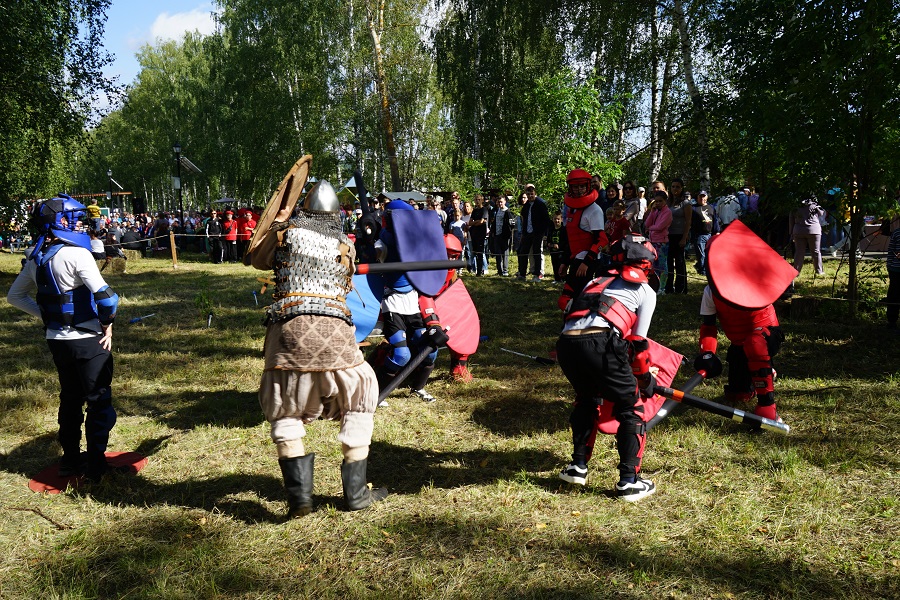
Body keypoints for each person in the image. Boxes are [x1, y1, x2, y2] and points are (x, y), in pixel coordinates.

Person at [247, 180, 387, 518]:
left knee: (286, 409)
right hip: (334, 332)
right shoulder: (344, 244)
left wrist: (278, 222)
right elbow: (349, 276)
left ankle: (300, 502)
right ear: (336, 215)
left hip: (288, 332)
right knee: (359, 398)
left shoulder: (283, 235)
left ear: (304, 210)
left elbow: (257, 261)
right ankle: (356, 494)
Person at [7, 195, 119, 481]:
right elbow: (106, 299)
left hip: (56, 340)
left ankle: (70, 462)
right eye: (73, 218)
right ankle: (96, 467)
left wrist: (48, 316)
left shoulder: (36, 255)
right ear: (58, 221)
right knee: (98, 401)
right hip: (88, 339)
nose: (79, 223)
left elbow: (14, 297)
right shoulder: (76, 254)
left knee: (70, 399)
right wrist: (107, 324)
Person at [556, 234, 659, 502]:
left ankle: (576, 467)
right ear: (647, 265)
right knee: (632, 406)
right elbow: (638, 344)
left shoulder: (594, 281)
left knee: (587, 400)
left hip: (566, 344)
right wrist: (645, 379)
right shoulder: (645, 291)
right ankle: (629, 482)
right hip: (601, 342)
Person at [695, 221, 795, 427]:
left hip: (766, 334)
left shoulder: (752, 275)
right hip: (739, 343)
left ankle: (768, 407)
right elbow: (708, 327)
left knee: (755, 343)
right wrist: (707, 353)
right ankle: (761, 373)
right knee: (737, 395)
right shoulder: (710, 292)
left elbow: (771, 272)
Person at [557, 169, 608, 308]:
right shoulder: (570, 208)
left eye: (582, 186)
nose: (579, 190)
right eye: (575, 186)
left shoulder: (594, 210)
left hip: (587, 261)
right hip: (576, 259)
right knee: (568, 299)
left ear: (588, 186)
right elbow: (571, 238)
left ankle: (584, 325)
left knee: (577, 299)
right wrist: (565, 262)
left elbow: (602, 240)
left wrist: (586, 263)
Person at [517, 184, 551, 281]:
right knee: (524, 252)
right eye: (528, 194)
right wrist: (523, 233)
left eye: (532, 194)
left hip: (537, 233)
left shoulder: (540, 204)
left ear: (535, 194)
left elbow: (546, 220)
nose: (530, 196)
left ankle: (537, 274)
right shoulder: (526, 206)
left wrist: (544, 234)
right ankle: (522, 274)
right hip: (527, 232)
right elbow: (524, 220)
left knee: (537, 253)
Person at [666, 178, 693, 294]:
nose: (675, 189)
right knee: (668, 262)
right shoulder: (668, 202)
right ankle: (668, 287)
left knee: (680, 262)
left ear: (682, 188)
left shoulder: (686, 203)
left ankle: (681, 288)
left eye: (677, 187)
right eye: (673, 186)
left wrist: (684, 237)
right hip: (668, 236)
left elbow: (688, 221)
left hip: (680, 235)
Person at [642, 191, 672, 295]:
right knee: (653, 265)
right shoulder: (655, 211)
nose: (658, 203)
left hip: (662, 242)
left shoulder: (667, 212)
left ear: (665, 201)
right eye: (656, 201)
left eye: (660, 201)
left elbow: (659, 227)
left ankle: (662, 287)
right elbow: (647, 223)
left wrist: (650, 229)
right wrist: (651, 212)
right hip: (653, 241)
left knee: (662, 266)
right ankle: (655, 285)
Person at [789, 194, 826, 277]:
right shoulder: (815, 206)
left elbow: (791, 220)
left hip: (798, 231)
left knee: (799, 252)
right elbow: (822, 214)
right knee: (816, 251)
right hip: (814, 231)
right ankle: (819, 271)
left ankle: (796, 271)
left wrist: (791, 233)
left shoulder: (795, 207)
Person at [691, 191, 717, 275]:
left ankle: (700, 266)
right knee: (701, 254)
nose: (702, 198)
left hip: (709, 234)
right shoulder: (693, 208)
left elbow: (715, 220)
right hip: (699, 235)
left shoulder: (711, 207)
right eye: (700, 196)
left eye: (704, 196)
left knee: (708, 254)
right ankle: (703, 271)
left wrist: (717, 231)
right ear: (697, 198)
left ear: (707, 197)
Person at [489, 194, 515, 277]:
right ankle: (499, 270)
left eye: (501, 202)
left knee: (505, 254)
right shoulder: (498, 210)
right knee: (498, 253)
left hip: (504, 236)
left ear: (505, 202)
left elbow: (512, 224)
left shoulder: (508, 212)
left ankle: (505, 270)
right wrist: (493, 231)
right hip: (497, 235)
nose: (500, 204)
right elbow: (494, 222)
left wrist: (507, 233)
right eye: (498, 202)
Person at [466, 194, 490, 276]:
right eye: (476, 199)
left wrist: (475, 222)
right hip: (474, 234)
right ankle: (476, 270)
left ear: (482, 200)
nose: (477, 201)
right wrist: (476, 222)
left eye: (479, 199)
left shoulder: (484, 210)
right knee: (475, 253)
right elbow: (470, 222)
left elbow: (481, 222)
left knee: (480, 253)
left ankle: (480, 271)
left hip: (481, 234)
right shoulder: (474, 211)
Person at [886, 224, 900, 332]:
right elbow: (891, 251)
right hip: (896, 270)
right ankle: (892, 322)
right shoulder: (896, 233)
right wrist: (890, 267)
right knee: (894, 295)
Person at [547, 212, 564, 283]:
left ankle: (562, 278)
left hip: (561, 251)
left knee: (561, 265)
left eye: (558, 219)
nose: (556, 221)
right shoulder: (551, 229)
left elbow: (565, 241)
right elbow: (548, 240)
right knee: (554, 264)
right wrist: (549, 244)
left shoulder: (563, 229)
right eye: (555, 219)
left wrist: (559, 246)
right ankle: (556, 278)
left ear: (561, 219)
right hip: (553, 251)